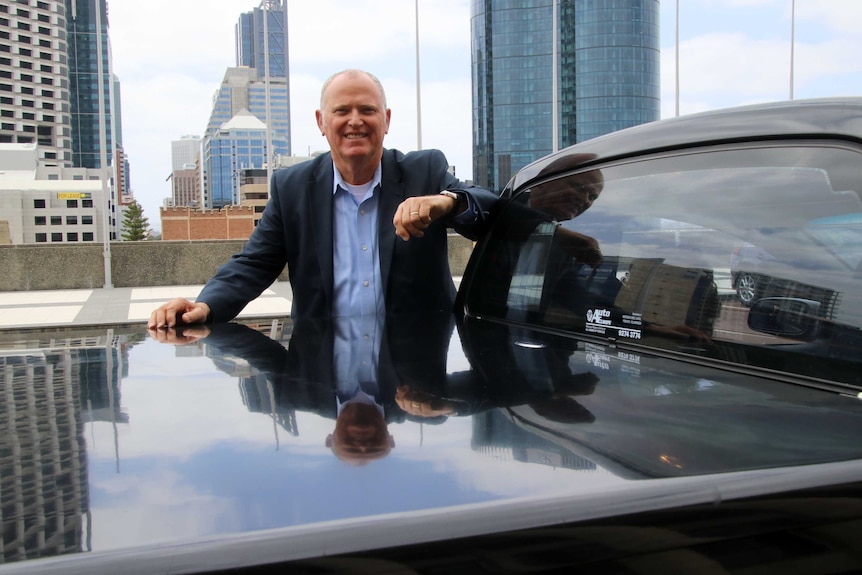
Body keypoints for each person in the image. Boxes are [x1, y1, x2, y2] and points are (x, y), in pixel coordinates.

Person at [148, 69, 498, 328]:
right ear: (321, 121)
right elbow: (253, 264)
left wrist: (448, 202)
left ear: (387, 119)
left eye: (368, 110)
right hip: (323, 371)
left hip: (413, 379)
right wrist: (205, 306)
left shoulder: (425, 171)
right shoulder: (292, 187)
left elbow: (492, 211)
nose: (355, 121)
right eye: (342, 110)